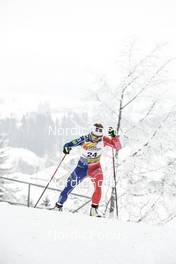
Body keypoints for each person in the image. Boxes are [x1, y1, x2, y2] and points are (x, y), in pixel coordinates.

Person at [56, 123, 122, 217]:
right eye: (94, 136)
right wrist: (66, 148)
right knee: (69, 186)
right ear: (91, 133)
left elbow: (118, 147)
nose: (96, 139)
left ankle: (93, 210)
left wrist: (115, 137)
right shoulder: (83, 139)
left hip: (95, 168)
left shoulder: (103, 140)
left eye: (99, 137)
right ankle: (58, 206)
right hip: (81, 168)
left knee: (99, 184)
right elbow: (68, 144)